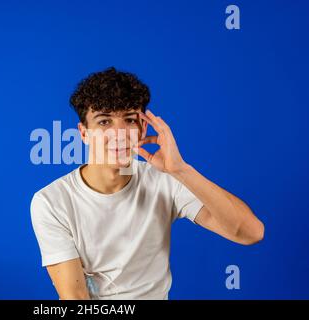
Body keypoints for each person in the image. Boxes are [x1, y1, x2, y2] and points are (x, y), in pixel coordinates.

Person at [30, 67, 264, 300]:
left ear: (142, 127)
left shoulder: (165, 180)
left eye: (130, 119)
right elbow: (75, 297)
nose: (119, 133)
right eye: (104, 122)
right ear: (83, 133)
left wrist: (181, 170)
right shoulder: (51, 201)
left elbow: (250, 233)